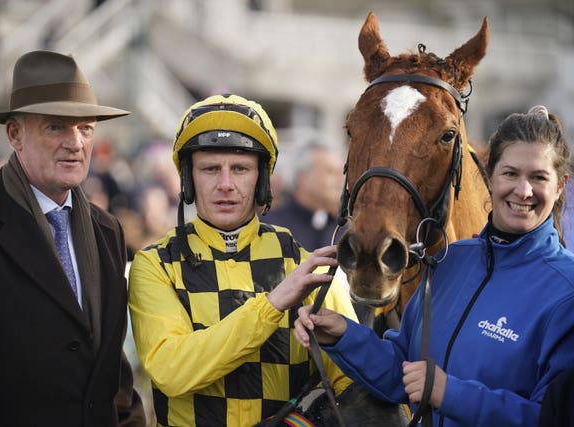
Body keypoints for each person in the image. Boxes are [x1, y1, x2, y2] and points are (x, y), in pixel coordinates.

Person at [291, 105, 574, 426]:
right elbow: (403, 373)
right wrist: (343, 336)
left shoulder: (567, 291)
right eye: (511, 173)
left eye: (538, 177)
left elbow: (555, 417)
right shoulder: (449, 261)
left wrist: (449, 393)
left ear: (560, 184)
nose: (523, 190)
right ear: (490, 176)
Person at [0, 50, 146, 426]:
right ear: (15, 134)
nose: (76, 142)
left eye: (86, 127)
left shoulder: (107, 231)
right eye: (56, 127)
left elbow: (114, 378)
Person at [128, 94, 360, 427]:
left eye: (240, 169)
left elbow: (353, 383)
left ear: (262, 180)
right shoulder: (155, 265)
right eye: (210, 169)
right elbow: (172, 371)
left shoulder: (304, 263)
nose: (225, 184)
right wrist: (272, 305)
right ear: (189, 181)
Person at [264, 141, 346, 251]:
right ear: (302, 177)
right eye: (330, 172)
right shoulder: (269, 229)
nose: (340, 181)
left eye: (341, 173)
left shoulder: (344, 230)